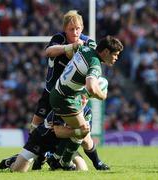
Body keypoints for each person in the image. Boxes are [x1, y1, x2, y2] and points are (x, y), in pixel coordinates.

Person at [29, 10, 110, 170]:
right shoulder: (59, 39)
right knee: (35, 126)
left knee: (83, 130)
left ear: (82, 28)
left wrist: (87, 92)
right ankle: (38, 157)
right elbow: (48, 52)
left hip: (73, 96)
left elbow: (94, 61)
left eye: (78, 28)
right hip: (51, 91)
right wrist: (70, 47)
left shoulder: (88, 43)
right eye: (71, 29)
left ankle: (95, 161)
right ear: (65, 29)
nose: (75, 32)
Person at [47, 35, 123, 170]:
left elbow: (80, 44)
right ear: (105, 52)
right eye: (115, 55)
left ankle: (60, 158)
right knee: (83, 130)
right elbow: (91, 87)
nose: (116, 58)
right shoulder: (95, 64)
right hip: (64, 99)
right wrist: (102, 96)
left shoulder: (88, 48)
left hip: (64, 93)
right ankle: (60, 160)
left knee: (85, 125)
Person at [0, 106, 92, 172]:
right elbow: (58, 132)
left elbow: (85, 138)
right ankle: (13, 160)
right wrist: (79, 131)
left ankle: (52, 159)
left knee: (82, 169)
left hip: (62, 143)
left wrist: (82, 133)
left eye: (86, 98)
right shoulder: (64, 106)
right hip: (42, 139)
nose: (83, 100)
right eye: (81, 97)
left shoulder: (87, 112)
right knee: (18, 171)